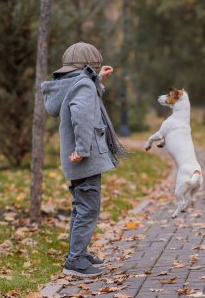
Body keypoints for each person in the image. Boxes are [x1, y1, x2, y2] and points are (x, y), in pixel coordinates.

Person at [41, 42, 127, 277]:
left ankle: (79, 252)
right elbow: (82, 116)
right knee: (88, 208)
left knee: (81, 207)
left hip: (76, 158)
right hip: (84, 158)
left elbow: (83, 96)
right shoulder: (83, 85)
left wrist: (97, 80)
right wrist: (81, 150)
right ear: (88, 65)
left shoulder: (71, 84)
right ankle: (75, 260)